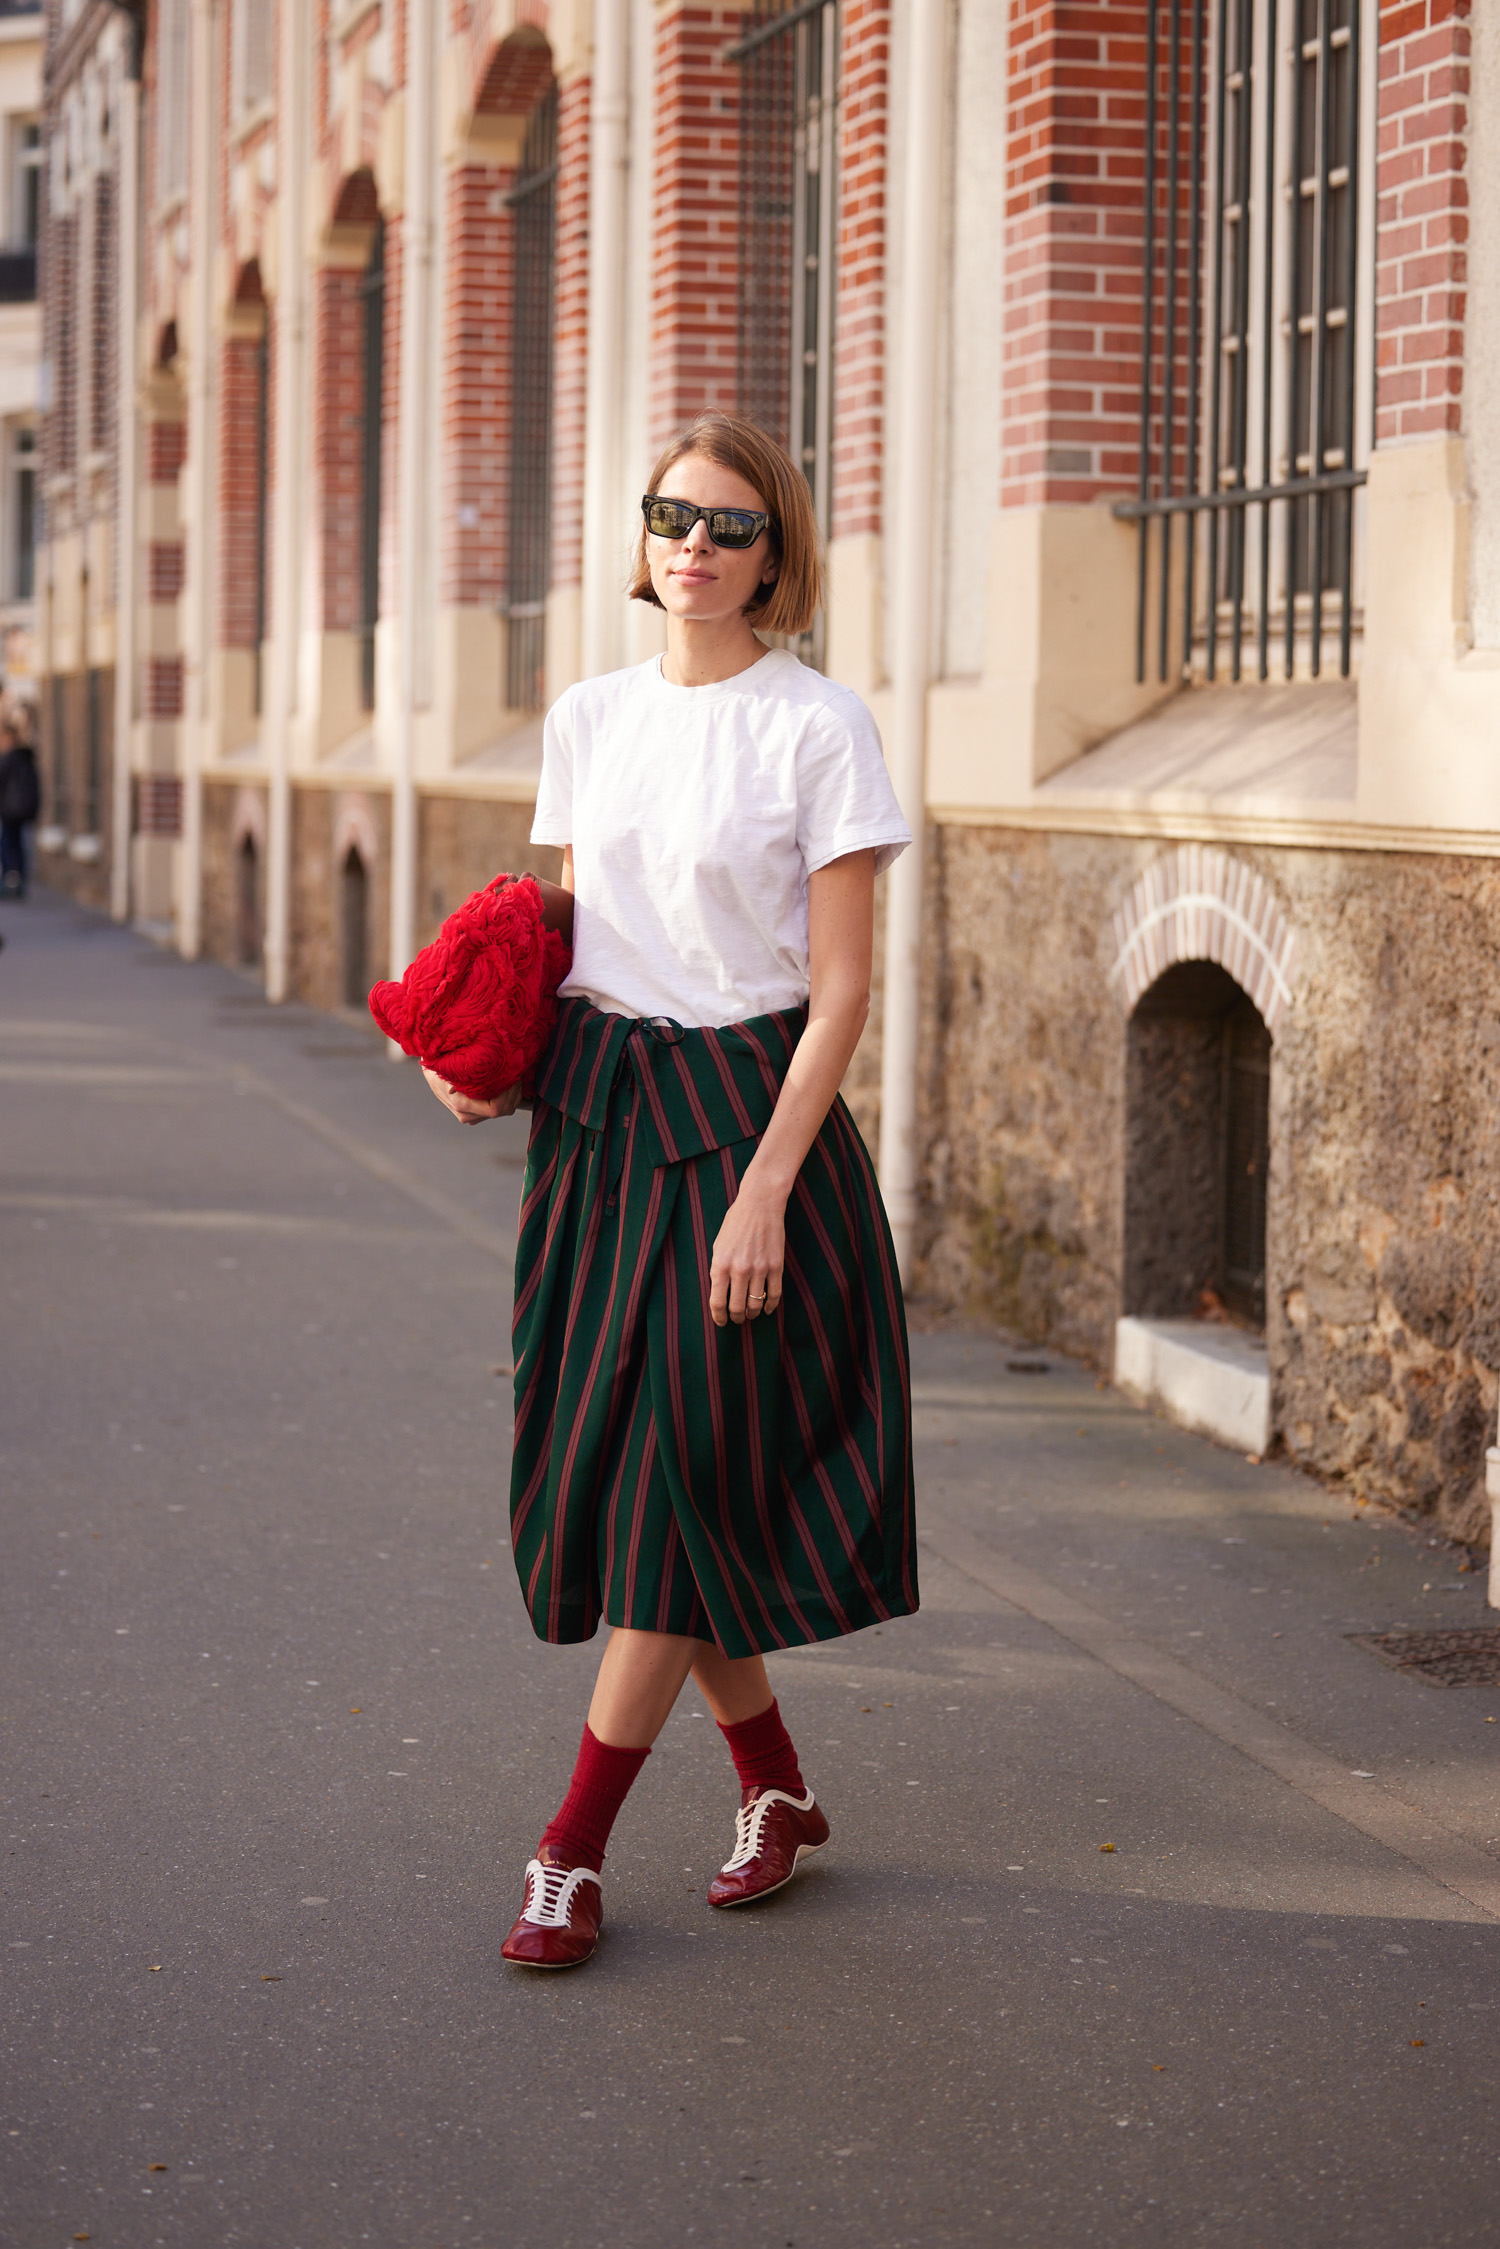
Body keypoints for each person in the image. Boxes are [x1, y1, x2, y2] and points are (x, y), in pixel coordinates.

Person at [425, 412, 917, 1970]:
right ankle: (777, 1791)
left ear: (778, 555)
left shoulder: (818, 727)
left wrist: (769, 1187)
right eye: (671, 519)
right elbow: (561, 932)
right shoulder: (590, 716)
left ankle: (568, 1851)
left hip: (746, 1127)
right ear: (642, 541)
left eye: (728, 526)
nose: (693, 546)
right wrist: (486, 1056)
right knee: (642, 1486)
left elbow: (840, 993)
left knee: (668, 1483)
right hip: (596, 1126)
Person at [0, 722, 39, 899]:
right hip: (25, 809)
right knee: (20, 845)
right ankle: (19, 879)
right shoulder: (27, 758)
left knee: (8, 844)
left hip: (9, 809)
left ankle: (10, 880)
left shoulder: (8, 758)